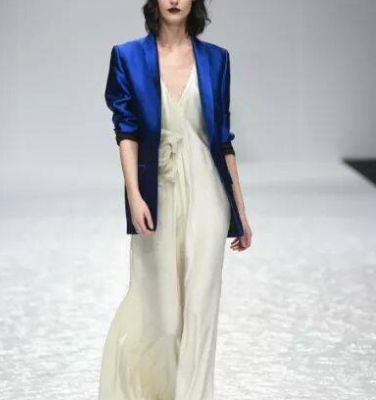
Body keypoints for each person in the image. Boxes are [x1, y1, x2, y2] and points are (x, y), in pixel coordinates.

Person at [99, 0, 252, 399]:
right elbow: (126, 132)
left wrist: (240, 212)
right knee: (164, 319)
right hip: (158, 191)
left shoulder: (216, 59)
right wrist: (134, 195)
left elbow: (223, 139)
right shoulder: (127, 57)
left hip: (208, 190)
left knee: (201, 308)